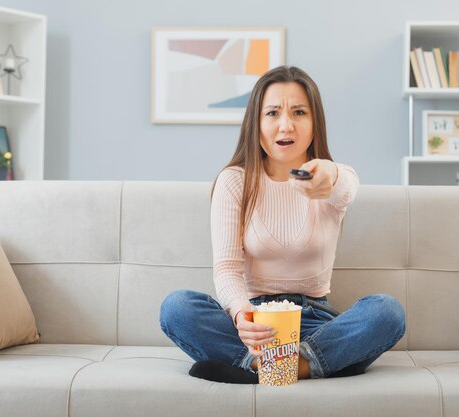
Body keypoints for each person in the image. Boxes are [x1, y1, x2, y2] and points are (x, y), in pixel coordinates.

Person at [159, 66, 405, 384]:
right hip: (256, 320)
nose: (285, 125)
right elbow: (227, 270)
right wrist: (241, 313)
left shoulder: (329, 179)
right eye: (273, 112)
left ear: (315, 123)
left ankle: (269, 368)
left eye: (299, 112)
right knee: (177, 307)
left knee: (387, 312)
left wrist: (328, 175)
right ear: (256, 123)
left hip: (316, 320)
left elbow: (344, 184)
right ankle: (310, 363)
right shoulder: (233, 181)